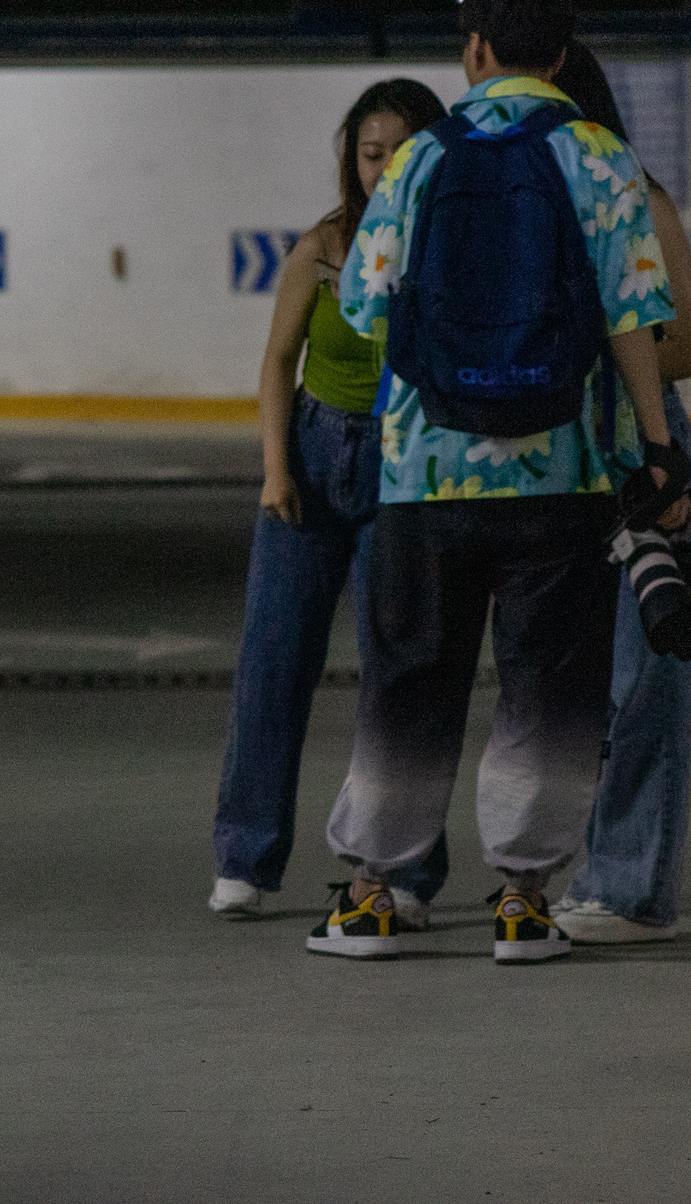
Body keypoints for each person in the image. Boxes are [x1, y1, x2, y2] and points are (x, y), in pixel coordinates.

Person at [309, 0, 687, 965]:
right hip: (559, 474)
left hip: (423, 474)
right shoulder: (602, 157)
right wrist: (657, 451)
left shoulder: (422, 158)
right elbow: (633, 322)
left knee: (409, 679)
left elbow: (364, 305)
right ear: (561, 56)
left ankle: (372, 896)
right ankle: (523, 902)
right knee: (547, 689)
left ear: (472, 50)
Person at [211, 78, 452, 922]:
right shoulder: (320, 246)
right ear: (352, 160)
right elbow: (278, 364)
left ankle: (408, 871)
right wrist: (277, 469)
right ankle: (246, 854)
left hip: (406, 464)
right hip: (314, 457)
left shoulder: (449, 243)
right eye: (370, 151)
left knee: (398, 675)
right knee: (274, 659)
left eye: (400, 150)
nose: (384, 165)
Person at [543, 45, 691, 945]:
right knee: (571, 684)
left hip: (640, 456)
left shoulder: (642, 202)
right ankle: (590, 868)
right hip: (556, 457)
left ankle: (633, 887)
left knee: (644, 678)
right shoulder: (534, 212)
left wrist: (609, 350)